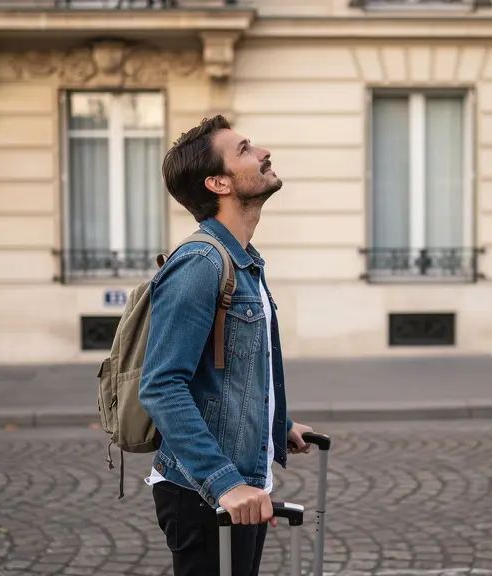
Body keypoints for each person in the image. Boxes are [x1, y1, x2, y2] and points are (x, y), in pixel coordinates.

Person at [138, 115, 315, 576]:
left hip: (240, 484)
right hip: (204, 491)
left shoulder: (243, 261)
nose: (263, 153)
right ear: (218, 183)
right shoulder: (200, 263)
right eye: (245, 150)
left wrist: (278, 421)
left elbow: (227, 370)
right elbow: (161, 385)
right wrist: (224, 483)